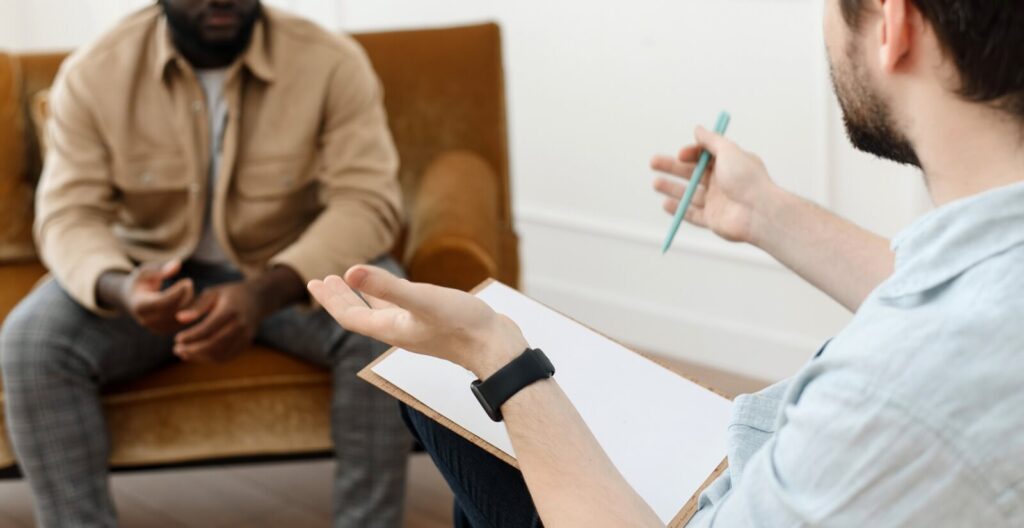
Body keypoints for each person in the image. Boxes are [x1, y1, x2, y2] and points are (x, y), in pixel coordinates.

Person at [307, 0, 1024, 526]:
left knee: (449, 396)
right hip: (757, 455)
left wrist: (496, 355)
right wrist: (767, 213)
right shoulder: (991, 268)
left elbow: (934, 354)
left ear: (892, 26)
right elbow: (954, 293)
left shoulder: (894, 398)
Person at [0, 1, 409, 527]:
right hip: (148, 278)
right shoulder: (93, 73)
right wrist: (124, 289)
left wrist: (265, 292)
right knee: (31, 343)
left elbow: (366, 200)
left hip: (293, 273)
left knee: (386, 319)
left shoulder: (332, 62)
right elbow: (67, 215)